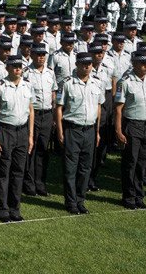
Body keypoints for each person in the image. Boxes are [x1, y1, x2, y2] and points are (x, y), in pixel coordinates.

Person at [55, 52, 103, 214]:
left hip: (90, 130)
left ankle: (80, 200)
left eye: (89, 64)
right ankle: (71, 202)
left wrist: (97, 131)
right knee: (70, 168)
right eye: (83, 64)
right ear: (77, 65)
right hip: (72, 129)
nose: (87, 67)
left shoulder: (97, 83)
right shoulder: (67, 84)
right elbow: (59, 108)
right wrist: (60, 131)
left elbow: (98, 107)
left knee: (86, 168)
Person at [115, 51, 146, 210]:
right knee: (130, 162)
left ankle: (139, 195)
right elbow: (118, 109)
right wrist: (118, 130)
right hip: (132, 125)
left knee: (143, 162)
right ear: (134, 64)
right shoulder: (125, 82)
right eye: (142, 63)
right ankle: (128, 197)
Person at [0, 55, 34, 222]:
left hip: (22, 132)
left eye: (19, 66)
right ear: (7, 68)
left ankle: (15, 209)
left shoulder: (27, 86)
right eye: (14, 66)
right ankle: (2, 209)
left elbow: (31, 110)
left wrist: (30, 136)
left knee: (18, 172)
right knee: (3, 172)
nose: (17, 69)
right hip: (5, 131)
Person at [23, 43, 58, 196]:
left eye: (43, 54)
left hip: (47, 114)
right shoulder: (26, 73)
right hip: (33, 114)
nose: (41, 57)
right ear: (32, 55)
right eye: (38, 54)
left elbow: (53, 94)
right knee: (31, 149)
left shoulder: (50, 73)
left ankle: (40, 183)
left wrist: (54, 115)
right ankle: (29, 183)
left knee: (44, 150)